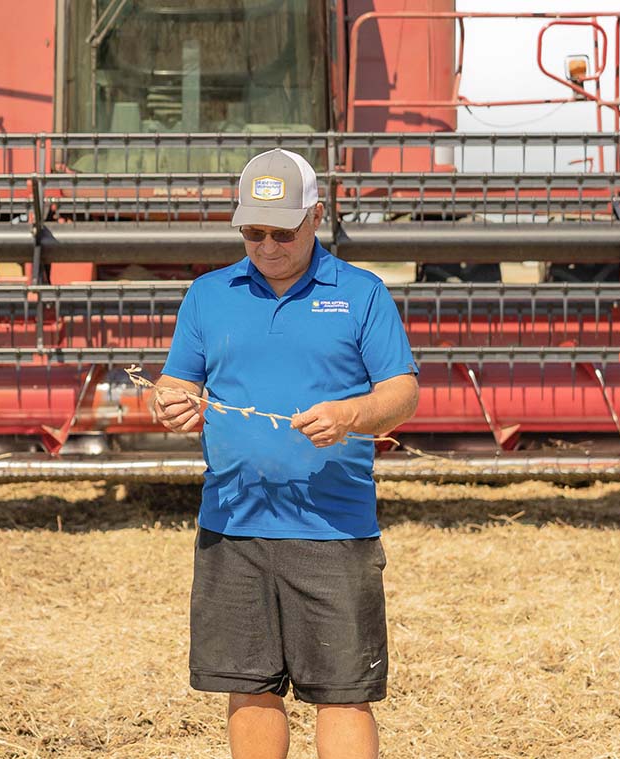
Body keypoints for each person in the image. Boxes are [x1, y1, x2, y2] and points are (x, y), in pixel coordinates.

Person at [154, 148, 419, 759]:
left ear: (316, 216)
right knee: (248, 689)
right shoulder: (207, 295)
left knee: (343, 692)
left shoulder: (361, 293)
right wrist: (169, 404)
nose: (267, 246)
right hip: (232, 526)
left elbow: (401, 391)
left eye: (283, 231)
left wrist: (352, 414)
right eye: (253, 232)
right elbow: (177, 384)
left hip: (333, 527)